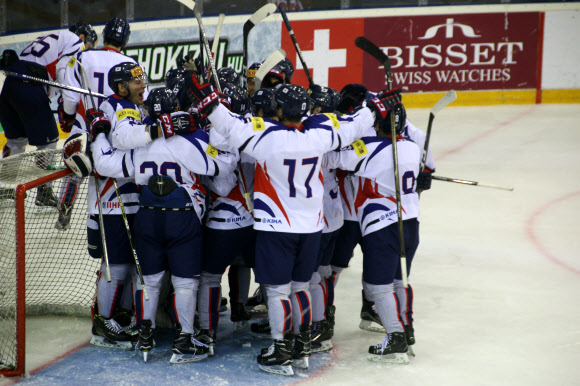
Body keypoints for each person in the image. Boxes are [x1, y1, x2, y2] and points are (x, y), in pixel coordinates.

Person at [185, 74, 374, 376]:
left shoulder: (265, 139)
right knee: (301, 286)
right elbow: (354, 127)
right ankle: (302, 342)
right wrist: (374, 108)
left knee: (277, 291)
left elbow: (228, 127)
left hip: (277, 228)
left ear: (281, 111)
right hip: (312, 228)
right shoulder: (319, 136)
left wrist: (207, 98)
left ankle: (280, 347)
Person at [90, 82, 236, 363]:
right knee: (185, 283)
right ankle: (184, 341)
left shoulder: (140, 144)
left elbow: (104, 164)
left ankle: (146, 335)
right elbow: (223, 167)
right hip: (181, 219)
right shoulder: (191, 140)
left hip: (146, 217)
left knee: (150, 281)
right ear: (176, 110)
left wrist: (99, 133)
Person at [324, 88, 430, 363]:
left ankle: (395, 336)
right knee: (399, 281)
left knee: (377, 285)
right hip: (411, 225)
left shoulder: (367, 149)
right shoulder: (411, 146)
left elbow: (331, 158)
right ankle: (406, 329)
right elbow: (425, 164)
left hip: (382, 227)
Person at [56, 17, 140, 230]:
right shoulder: (132, 63)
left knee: (75, 167)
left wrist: (67, 117)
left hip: (85, 122)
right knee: (113, 166)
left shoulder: (82, 56)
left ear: (104, 35)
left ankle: (65, 209)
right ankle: (112, 210)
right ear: (126, 41)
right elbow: (141, 100)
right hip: (115, 126)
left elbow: (72, 97)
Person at [0, 27, 87, 206]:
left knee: (15, 140)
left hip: (9, 86)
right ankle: (44, 191)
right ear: (82, 36)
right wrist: (69, 109)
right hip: (29, 87)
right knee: (48, 141)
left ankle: (4, 186)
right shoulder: (75, 43)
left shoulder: (52, 38)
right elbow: (64, 73)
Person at [196, 83, 253, 354]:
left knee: (209, 277)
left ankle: (207, 331)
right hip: (253, 222)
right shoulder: (258, 130)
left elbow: (218, 185)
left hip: (220, 223)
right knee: (252, 268)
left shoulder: (214, 135)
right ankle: (241, 310)